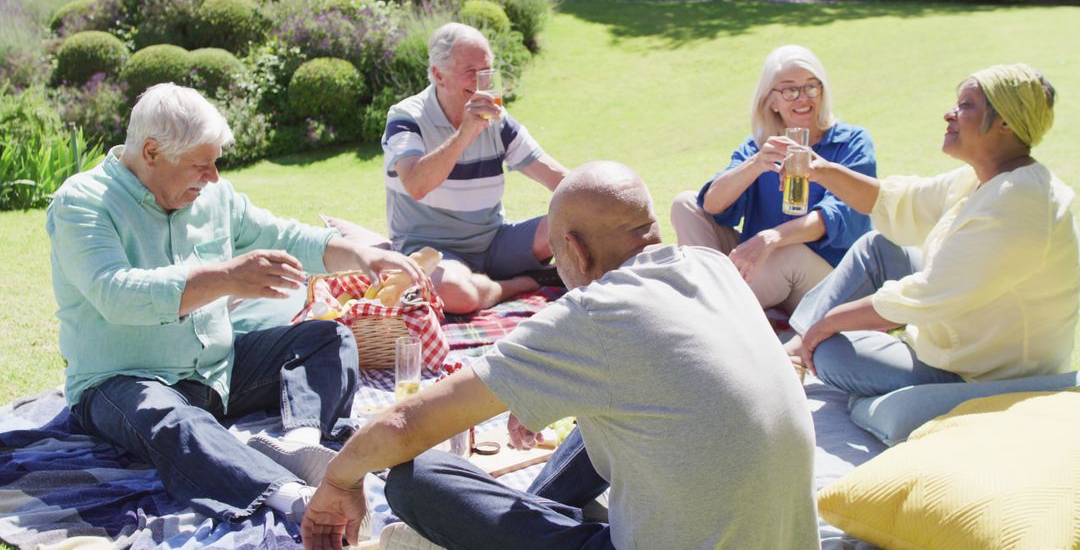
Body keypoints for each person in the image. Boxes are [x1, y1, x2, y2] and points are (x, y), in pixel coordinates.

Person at [301, 161, 820, 549]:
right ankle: (541, 507)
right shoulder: (714, 267)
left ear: (572, 248)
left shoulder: (595, 316)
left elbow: (406, 424)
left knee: (417, 481)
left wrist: (337, 481)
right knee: (621, 412)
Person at [45, 83, 424, 524]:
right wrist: (224, 278)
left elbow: (283, 236)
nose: (214, 177)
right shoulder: (81, 203)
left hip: (215, 372)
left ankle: (299, 442)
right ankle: (290, 497)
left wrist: (361, 254)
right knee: (172, 420)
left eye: (215, 163)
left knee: (328, 337)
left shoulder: (214, 197)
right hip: (124, 380)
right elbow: (116, 293)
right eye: (201, 165)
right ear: (151, 152)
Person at [785, 64, 1079, 398]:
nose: (949, 114)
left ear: (1005, 122)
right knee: (877, 247)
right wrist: (819, 170)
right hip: (964, 324)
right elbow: (898, 200)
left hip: (984, 372)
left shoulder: (1017, 201)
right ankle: (797, 349)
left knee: (829, 353)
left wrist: (828, 324)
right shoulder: (984, 178)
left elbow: (925, 294)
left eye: (966, 105)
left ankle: (805, 347)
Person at [670, 44, 876, 314]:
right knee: (684, 204)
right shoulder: (759, 146)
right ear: (770, 100)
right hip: (762, 268)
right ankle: (716, 302)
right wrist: (756, 164)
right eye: (789, 90)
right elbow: (712, 204)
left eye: (811, 87)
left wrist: (770, 238)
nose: (802, 98)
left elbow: (836, 217)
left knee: (788, 251)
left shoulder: (851, 142)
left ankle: (709, 310)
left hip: (825, 281)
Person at [380, 22, 569, 314]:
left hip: (494, 241)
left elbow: (558, 178)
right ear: (438, 76)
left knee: (576, 220)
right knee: (454, 293)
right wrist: (466, 133)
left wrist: (601, 201)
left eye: (487, 70)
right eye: (470, 71)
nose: (483, 81)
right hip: (433, 252)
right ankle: (521, 284)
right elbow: (416, 184)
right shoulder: (406, 118)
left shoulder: (498, 120)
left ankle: (491, 281)